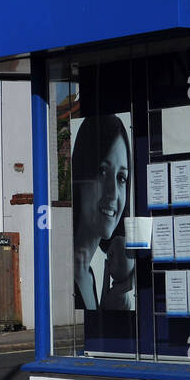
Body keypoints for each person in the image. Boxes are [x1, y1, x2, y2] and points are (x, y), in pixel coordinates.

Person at [72, 114, 135, 311]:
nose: (114, 193)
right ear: (82, 175)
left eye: (121, 178)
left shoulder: (88, 275)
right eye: (102, 172)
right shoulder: (67, 273)